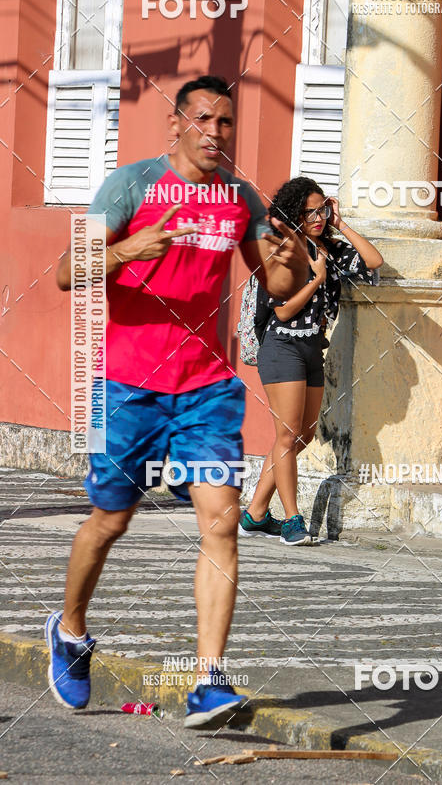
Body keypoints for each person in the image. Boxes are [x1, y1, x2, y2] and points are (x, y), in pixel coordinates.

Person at [46, 75, 308, 727]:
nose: (216, 132)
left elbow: (273, 284)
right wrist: (127, 249)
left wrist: (290, 259)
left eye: (226, 122)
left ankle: (209, 682)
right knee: (110, 520)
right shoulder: (131, 187)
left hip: (206, 389)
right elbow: (63, 271)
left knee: (221, 523)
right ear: (176, 124)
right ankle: (71, 630)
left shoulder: (239, 199)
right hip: (124, 387)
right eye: (204, 120)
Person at [238, 177, 383, 546]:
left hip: (312, 349)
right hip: (281, 347)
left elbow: (373, 261)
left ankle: (255, 514)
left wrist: (341, 223)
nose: (317, 218)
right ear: (293, 215)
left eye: (322, 210)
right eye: (309, 212)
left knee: (301, 436)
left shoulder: (330, 249)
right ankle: (293, 520)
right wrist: (316, 280)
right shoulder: (282, 251)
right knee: (286, 436)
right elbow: (283, 312)